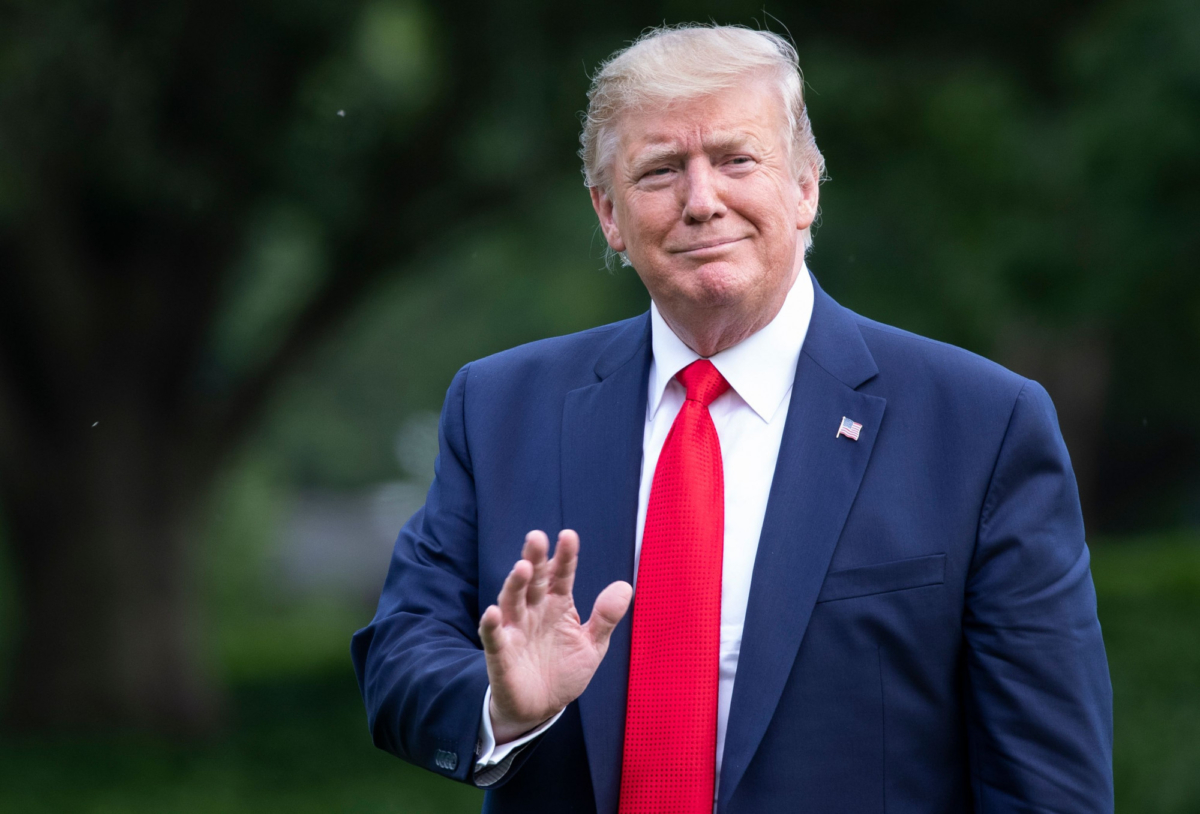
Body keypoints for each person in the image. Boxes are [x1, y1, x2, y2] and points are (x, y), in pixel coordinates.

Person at [351, 24, 1113, 814]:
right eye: (660, 171)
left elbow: (1048, 784)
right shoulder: (502, 407)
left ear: (806, 187)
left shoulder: (980, 426)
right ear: (609, 215)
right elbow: (401, 656)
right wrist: (501, 707)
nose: (701, 201)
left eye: (736, 159)